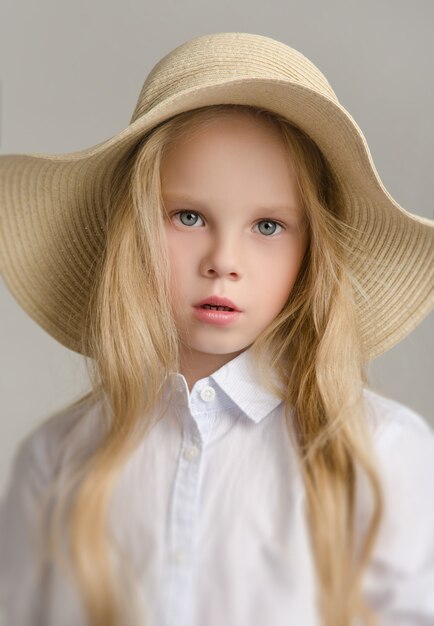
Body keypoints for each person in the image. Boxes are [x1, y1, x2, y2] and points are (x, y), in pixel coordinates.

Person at [0, 31, 433, 626]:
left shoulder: (383, 456)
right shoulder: (57, 459)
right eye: (188, 216)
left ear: (312, 252)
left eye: (269, 226)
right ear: (135, 233)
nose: (224, 260)